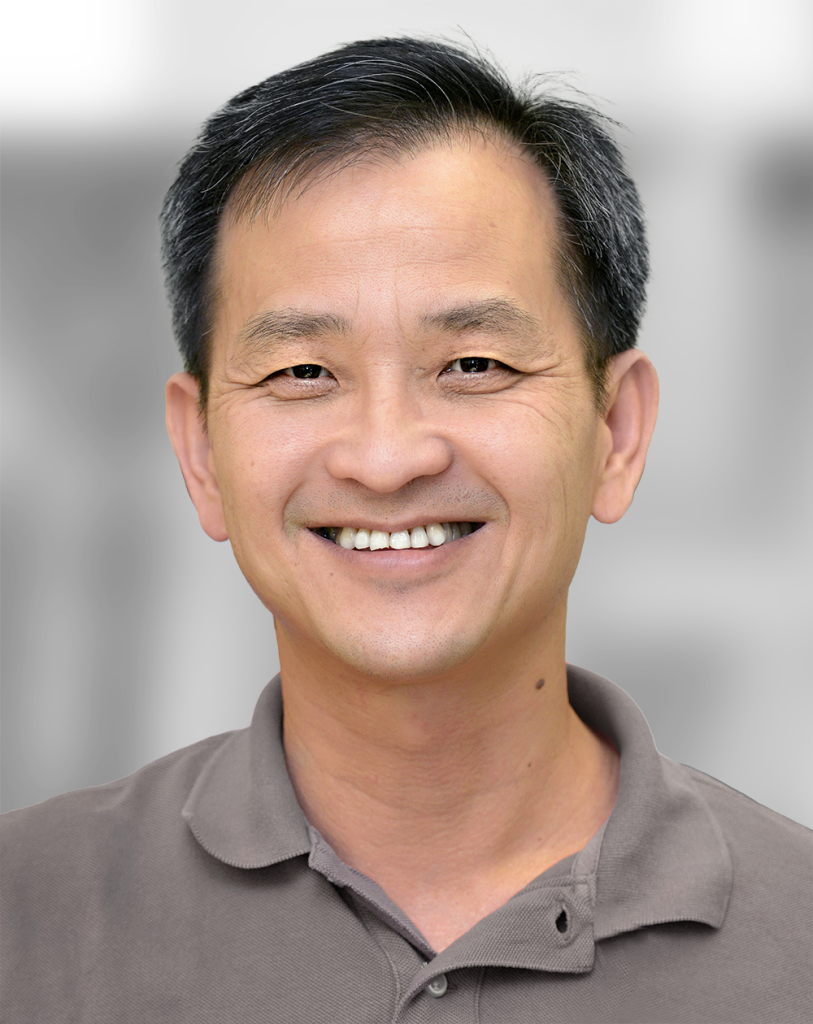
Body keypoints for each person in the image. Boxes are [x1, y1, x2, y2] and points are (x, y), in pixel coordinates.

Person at [1, 36, 810, 1023]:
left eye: (473, 364)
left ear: (617, 430)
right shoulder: (28, 918)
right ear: (201, 452)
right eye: (303, 372)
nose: (386, 457)